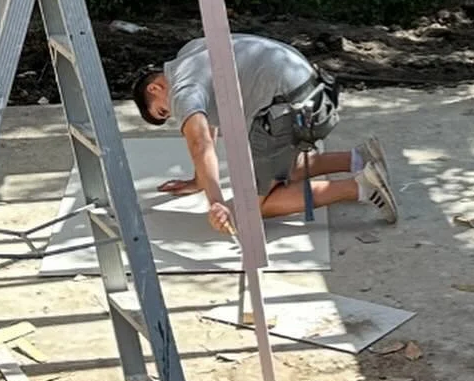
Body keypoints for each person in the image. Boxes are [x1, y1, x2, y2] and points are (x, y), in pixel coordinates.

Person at [134, 33, 397, 235]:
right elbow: (207, 131)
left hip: (289, 108)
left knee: (247, 210)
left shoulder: (182, 90)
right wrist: (199, 179)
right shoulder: (189, 54)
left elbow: (199, 143)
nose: (173, 114)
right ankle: (359, 158)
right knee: (281, 172)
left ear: (156, 88)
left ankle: (362, 187)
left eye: (162, 112)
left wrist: (216, 203)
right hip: (314, 91)